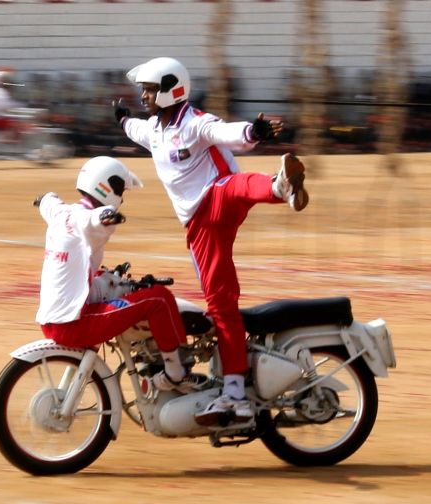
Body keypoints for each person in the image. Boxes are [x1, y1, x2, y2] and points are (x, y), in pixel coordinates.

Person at [113, 57, 309, 426]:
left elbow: (225, 133)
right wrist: (122, 119)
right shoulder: (154, 128)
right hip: (200, 227)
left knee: (231, 187)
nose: (144, 95)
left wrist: (254, 132)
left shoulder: (193, 122)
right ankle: (234, 392)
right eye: (143, 89)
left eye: (150, 89)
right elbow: (136, 130)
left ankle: (278, 186)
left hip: (218, 198)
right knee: (220, 304)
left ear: (173, 88)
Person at [36, 156, 199, 393]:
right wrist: (104, 216)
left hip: (50, 320)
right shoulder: (88, 218)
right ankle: (176, 374)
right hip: (73, 325)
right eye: (121, 189)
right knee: (159, 298)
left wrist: (42, 200)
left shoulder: (61, 213)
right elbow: (91, 220)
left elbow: (48, 201)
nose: (122, 197)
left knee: (106, 278)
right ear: (107, 186)